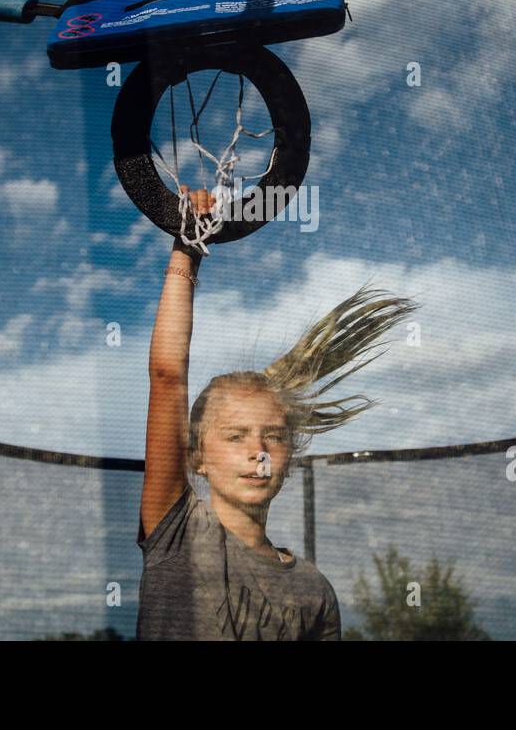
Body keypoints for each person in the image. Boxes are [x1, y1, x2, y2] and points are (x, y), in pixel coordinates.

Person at [137, 186, 418, 640]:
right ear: (197, 458)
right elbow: (167, 375)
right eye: (235, 436)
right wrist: (187, 249)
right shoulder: (176, 532)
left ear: (290, 456)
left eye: (274, 436)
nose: (258, 451)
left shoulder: (314, 591)